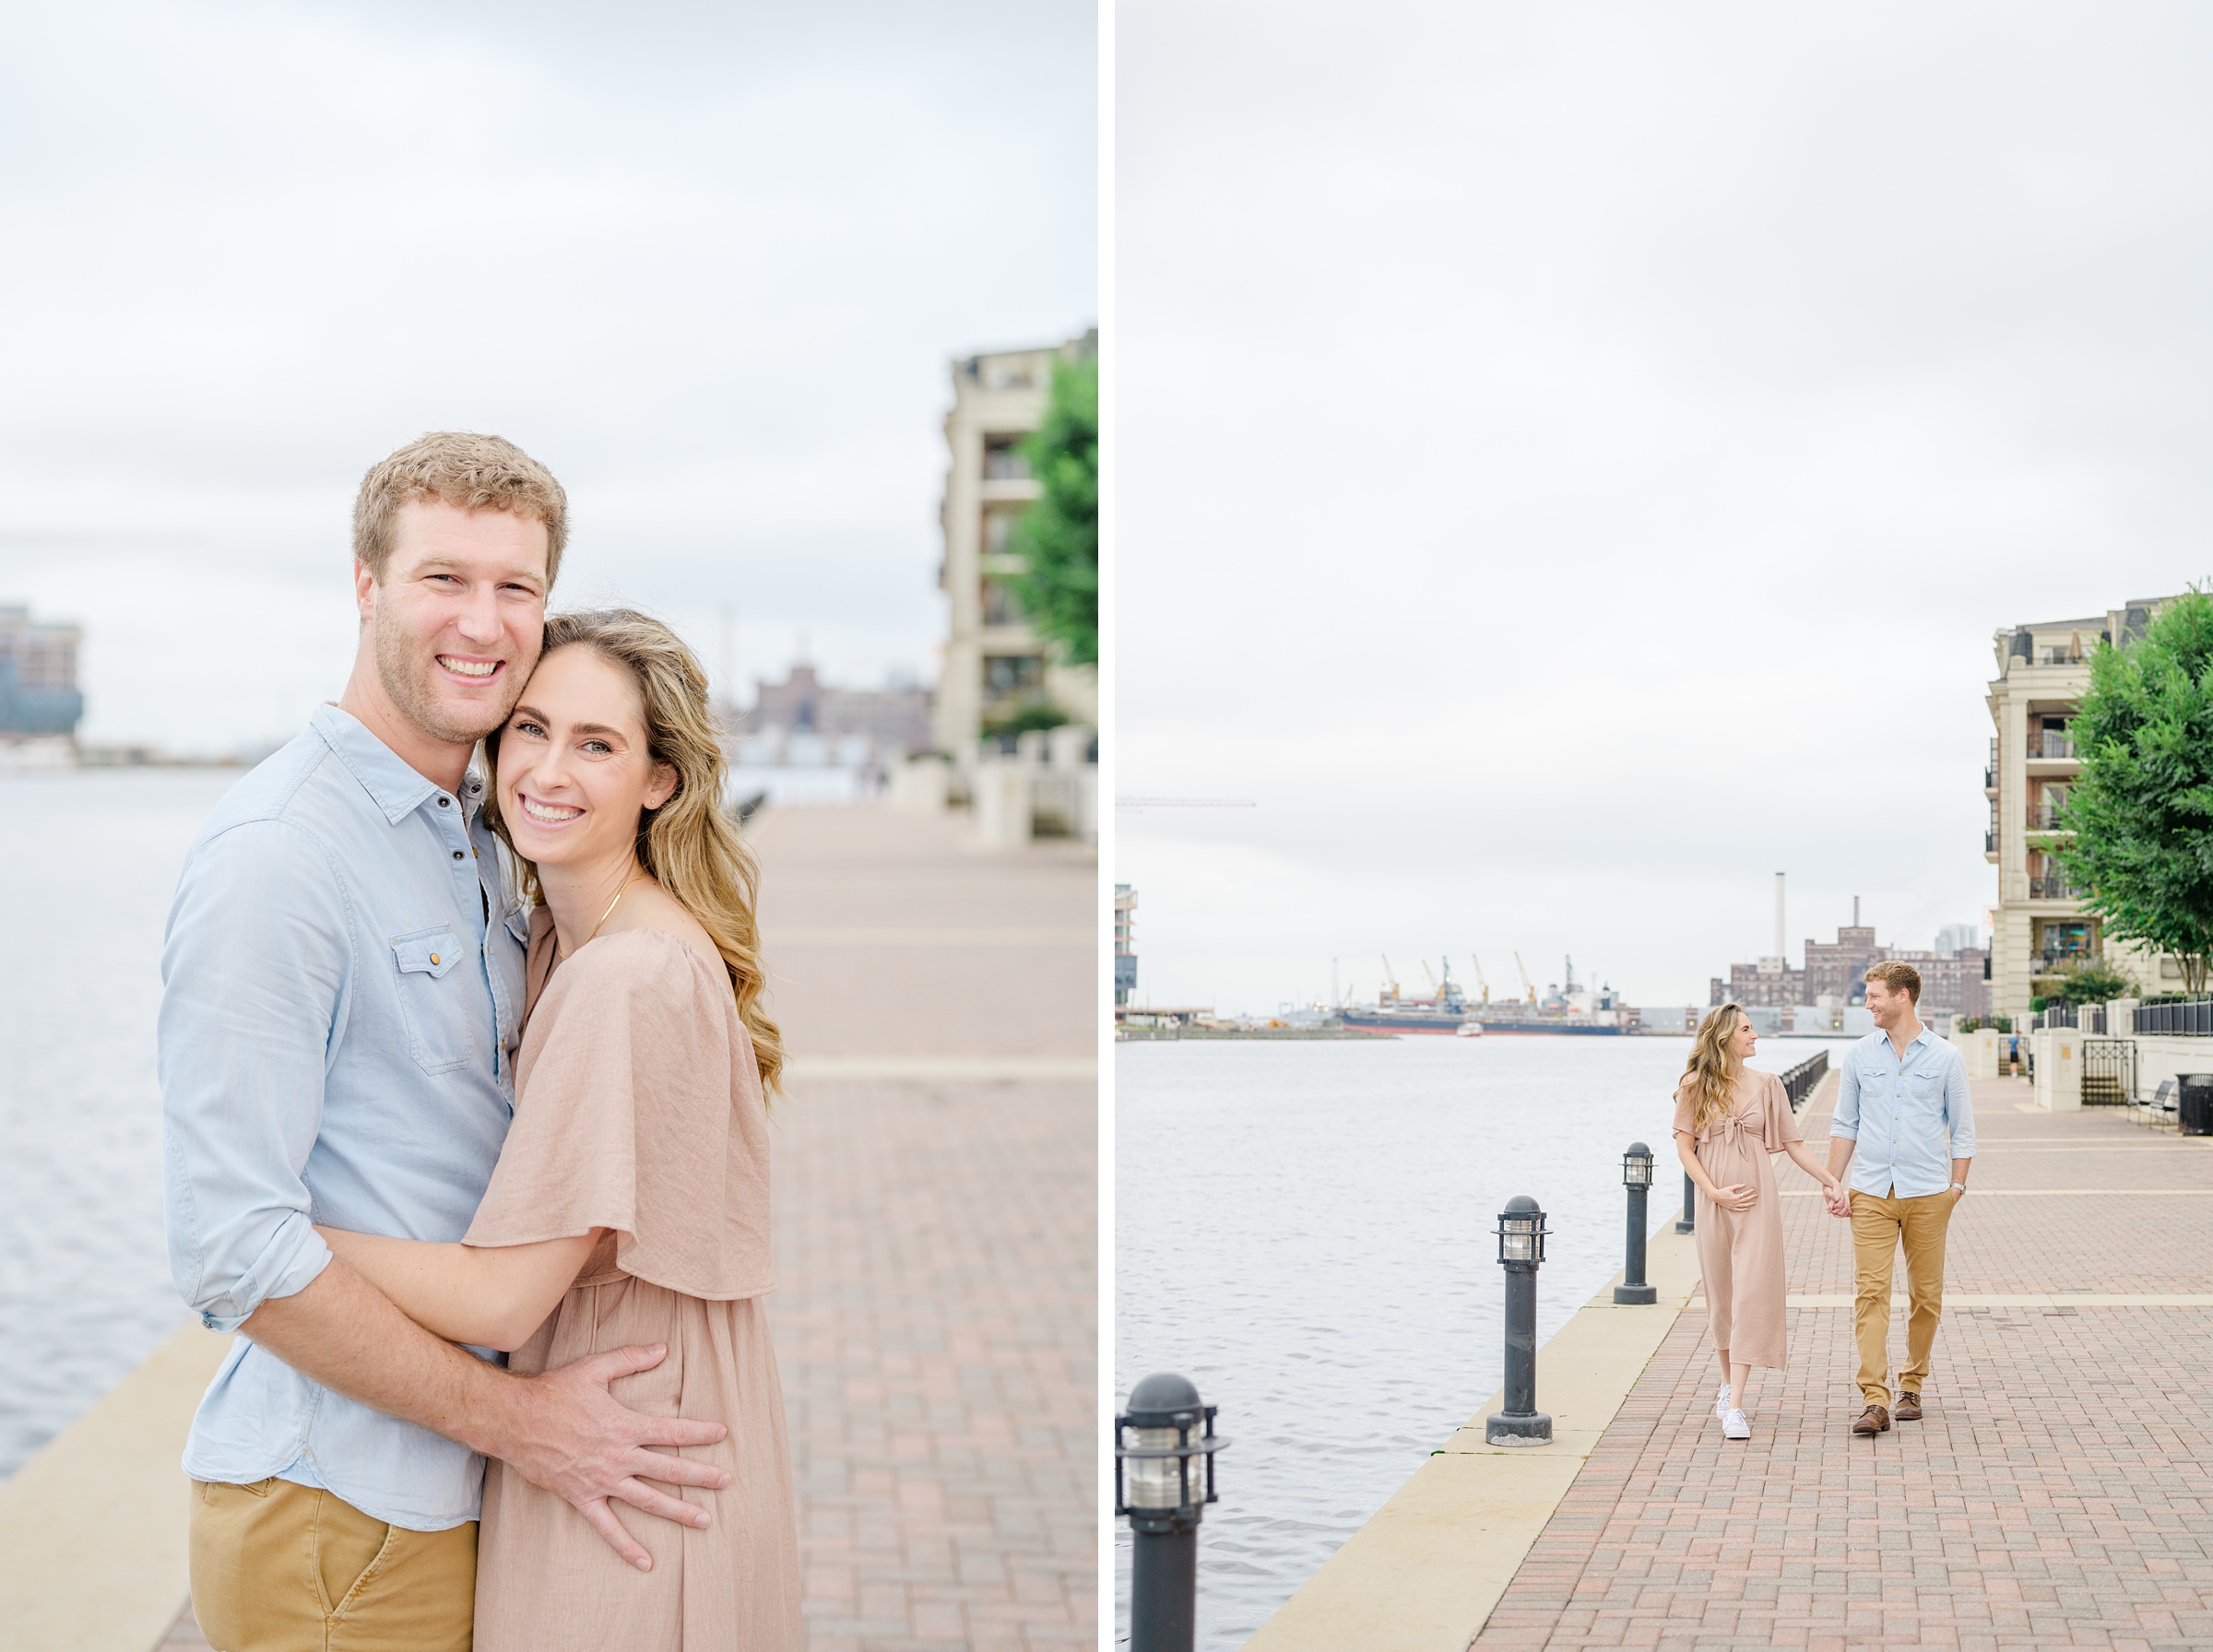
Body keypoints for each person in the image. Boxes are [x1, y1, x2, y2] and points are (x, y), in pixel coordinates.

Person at [164, 435, 730, 1652]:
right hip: (339, 1512)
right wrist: (518, 1422)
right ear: (366, 587)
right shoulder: (279, 858)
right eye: (443, 579)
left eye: (516, 587)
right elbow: (230, 1249)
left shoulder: (478, 832)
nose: (482, 622)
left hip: (449, 1498)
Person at [316, 610, 802, 1648]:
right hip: (640, 1427)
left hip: (622, 1456)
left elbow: (500, 1294)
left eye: (597, 744)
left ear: (661, 778)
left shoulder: (623, 978)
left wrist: (281, 1237)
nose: (548, 768)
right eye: (530, 728)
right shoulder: (568, 938)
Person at [1672, 1003, 1847, 1441]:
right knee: (1722, 1296)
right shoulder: (1695, 1086)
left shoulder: (1769, 1085)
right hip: (1714, 1201)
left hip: (1756, 1200)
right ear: (1724, 1037)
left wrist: (1831, 1180)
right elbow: (1685, 1148)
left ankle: (1735, 1406)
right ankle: (1728, 1383)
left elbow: (1793, 1143)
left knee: (1751, 1292)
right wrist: (1711, 1192)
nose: (1755, 1036)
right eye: (1747, 1030)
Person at [1827, 961, 1975, 1436]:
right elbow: (1844, 1124)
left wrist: (1956, 1189)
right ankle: (1875, 1398)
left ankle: (1913, 1383)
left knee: (1925, 1295)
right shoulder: (1858, 1056)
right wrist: (1833, 1182)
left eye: (1873, 996)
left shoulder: (1946, 1057)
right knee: (1870, 1294)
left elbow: (1963, 1130)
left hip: (1930, 1193)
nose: (1867, 1004)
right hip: (1870, 1190)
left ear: (1902, 997)